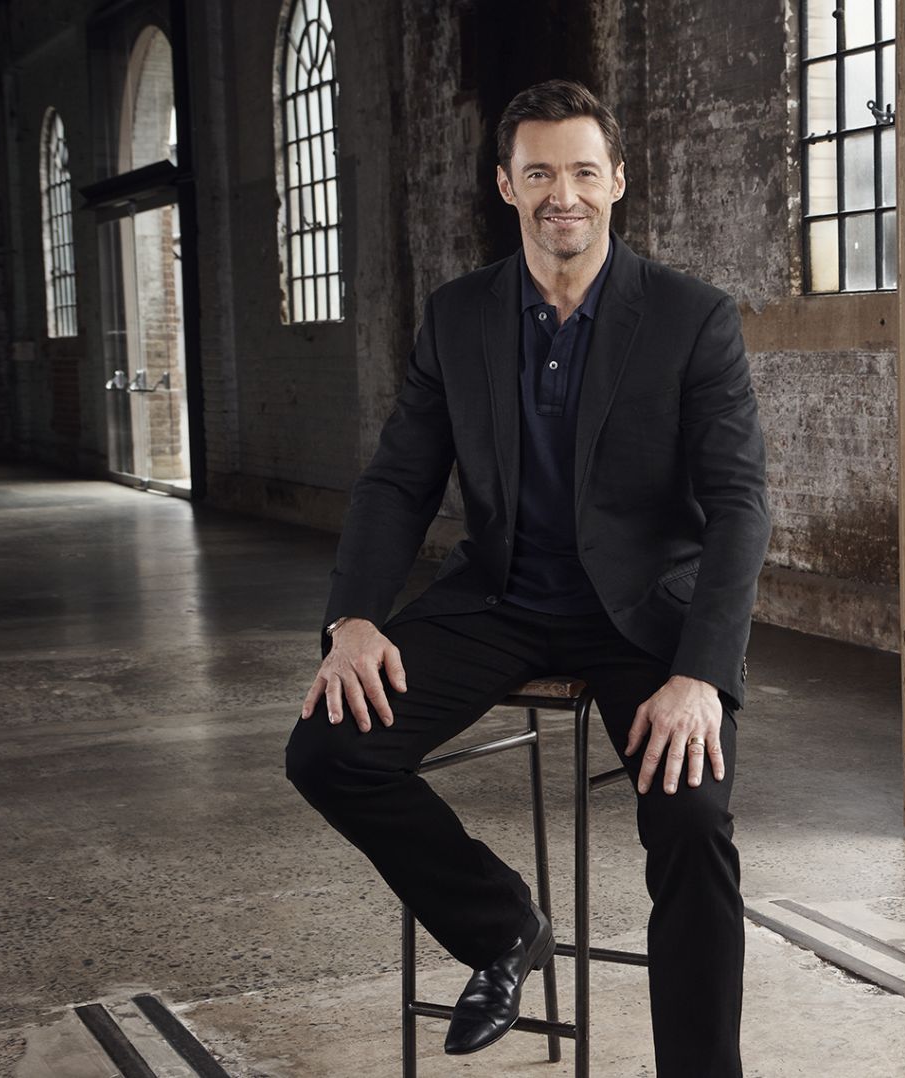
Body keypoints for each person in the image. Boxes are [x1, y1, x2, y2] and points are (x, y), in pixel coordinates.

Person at [283, 78, 769, 1078]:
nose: (564, 194)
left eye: (584, 171)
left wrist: (699, 675)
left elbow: (738, 506)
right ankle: (503, 926)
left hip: (644, 617)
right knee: (328, 750)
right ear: (506, 185)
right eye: (540, 173)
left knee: (691, 818)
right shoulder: (458, 316)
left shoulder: (692, 318)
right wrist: (355, 619)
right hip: (499, 598)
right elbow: (397, 483)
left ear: (617, 180)